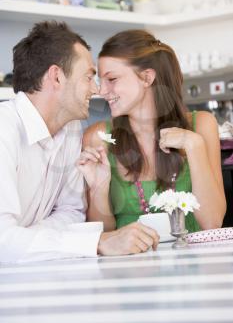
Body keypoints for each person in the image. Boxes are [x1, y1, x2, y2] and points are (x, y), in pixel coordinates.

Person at [0, 22, 159, 263]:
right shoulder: (4, 130)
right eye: (88, 77)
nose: (96, 90)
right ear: (56, 77)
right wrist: (97, 242)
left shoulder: (71, 129)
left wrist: (24, 239)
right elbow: (3, 242)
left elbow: (72, 212)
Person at [78, 29, 226, 233]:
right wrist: (98, 188)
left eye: (111, 79)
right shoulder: (98, 137)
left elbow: (212, 223)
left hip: (193, 259)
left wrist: (194, 146)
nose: (102, 91)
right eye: (99, 81)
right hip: (131, 263)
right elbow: (104, 236)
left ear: (147, 78)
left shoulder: (201, 125)